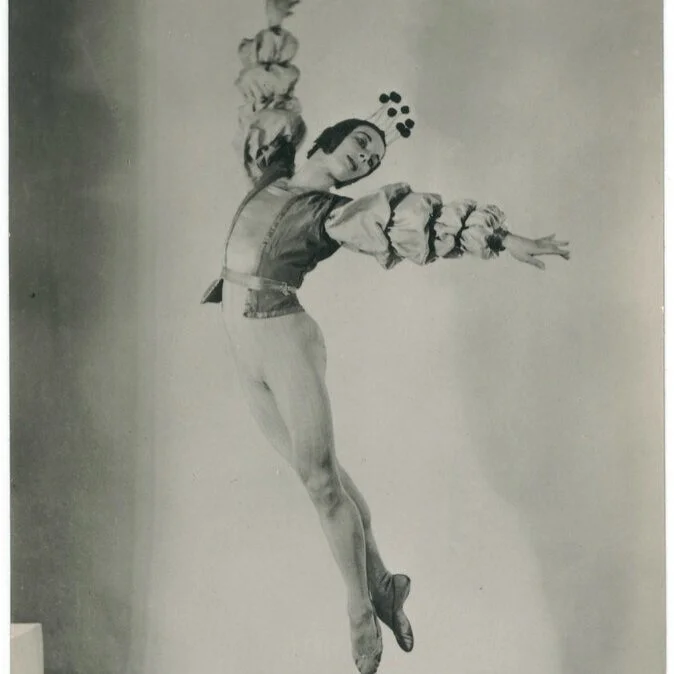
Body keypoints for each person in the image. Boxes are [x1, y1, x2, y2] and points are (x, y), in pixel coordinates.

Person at [202, 2, 570, 673]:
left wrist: (503, 239)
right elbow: (270, 88)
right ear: (327, 141)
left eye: (371, 160)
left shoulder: (334, 215)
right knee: (321, 479)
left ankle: (359, 611)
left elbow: (418, 219)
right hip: (240, 339)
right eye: (360, 145)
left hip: (283, 338)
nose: (364, 159)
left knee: (322, 483)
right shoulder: (272, 171)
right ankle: (385, 586)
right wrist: (273, 16)